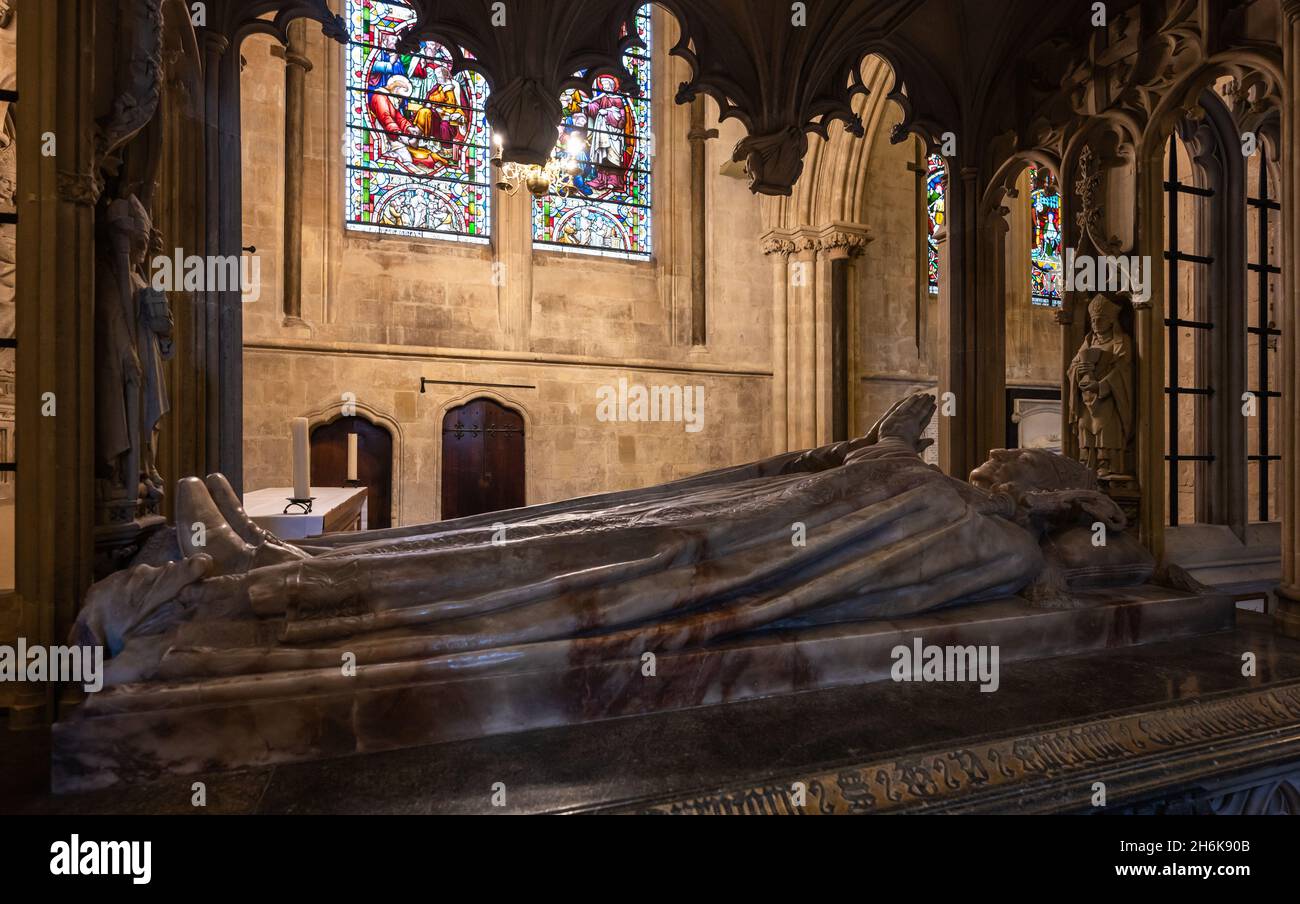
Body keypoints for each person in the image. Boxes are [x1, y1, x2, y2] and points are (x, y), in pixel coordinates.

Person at [76, 394, 1131, 688]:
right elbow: (791, 478)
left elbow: (854, 580)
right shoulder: (934, 482)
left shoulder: (992, 543)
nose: (1002, 460)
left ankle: (231, 601)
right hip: (706, 522)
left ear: (1049, 502)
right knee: (532, 528)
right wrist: (852, 447)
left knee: (505, 575)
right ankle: (280, 556)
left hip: (708, 564)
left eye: (1023, 466)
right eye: (1002, 456)